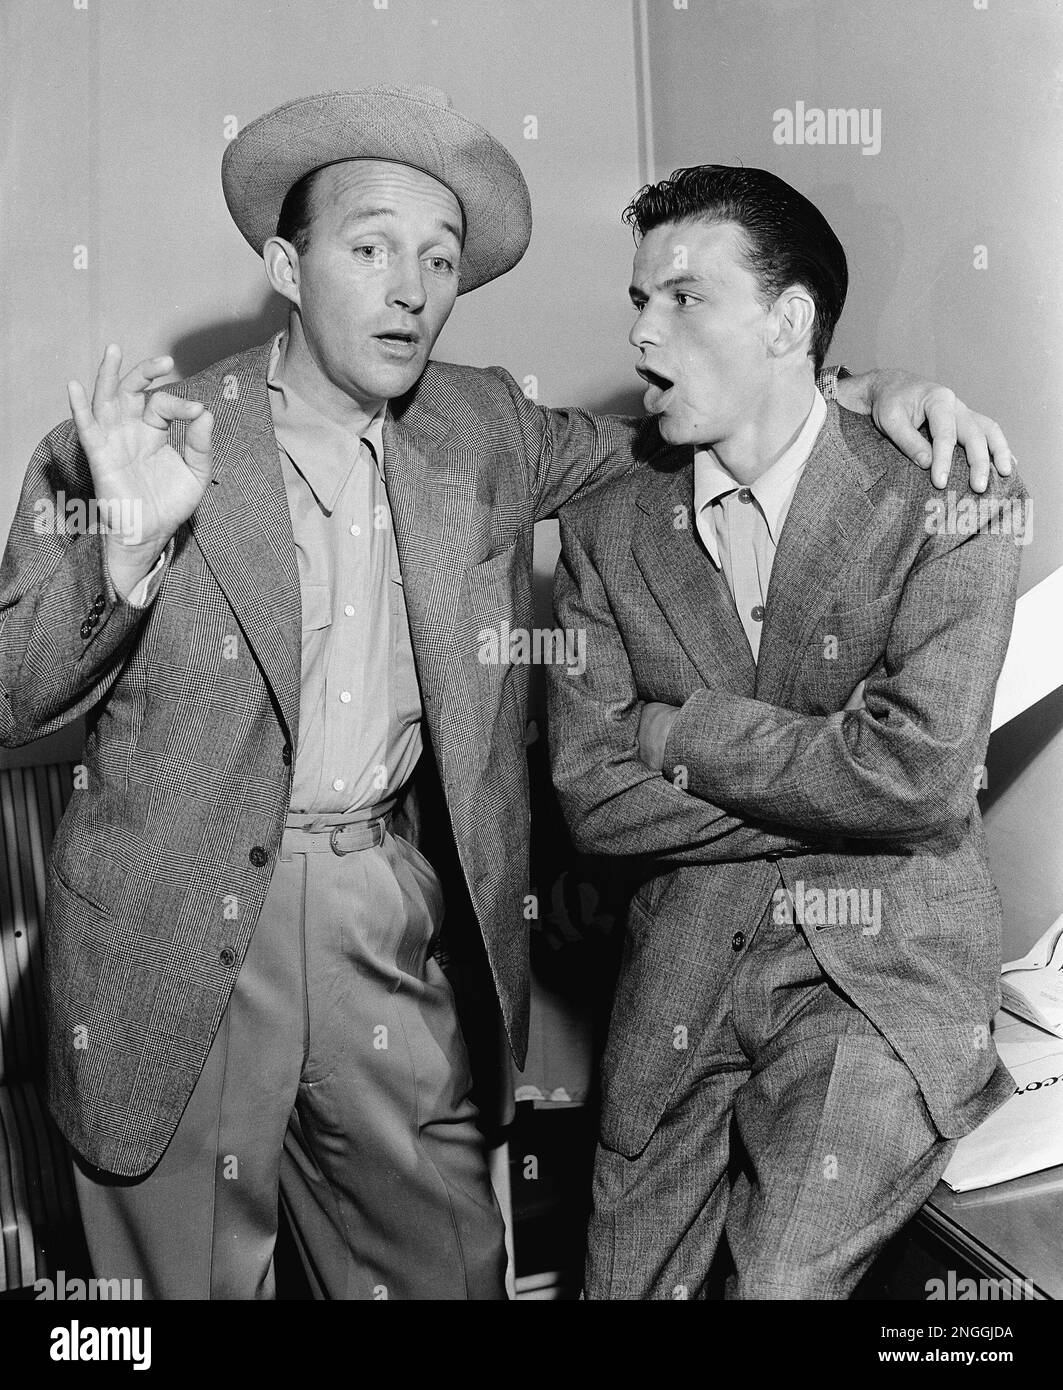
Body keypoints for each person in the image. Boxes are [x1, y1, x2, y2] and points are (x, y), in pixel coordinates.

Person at [0, 88, 1012, 1300]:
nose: (411, 287)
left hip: (386, 913)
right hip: (171, 934)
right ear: (284, 261)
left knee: (449, 1271)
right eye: (369, 248)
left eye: (438, 258)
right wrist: (123, 552)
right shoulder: (140, 441)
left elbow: (704, 426)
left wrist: (868, 388)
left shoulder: (481, 426)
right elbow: (15, 697)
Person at [547, 164, 1027, 1300]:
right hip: (677, 970)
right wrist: (844, 774)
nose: (640, 333)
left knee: (777, 1287)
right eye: (636, 301)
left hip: (878, 981)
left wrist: (684, 728)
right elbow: (593, 798)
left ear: (789, 321)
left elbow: (911, 780)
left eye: (680, 297)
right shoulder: (608, 523)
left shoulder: (950, 493)